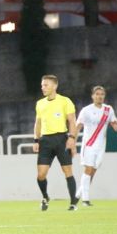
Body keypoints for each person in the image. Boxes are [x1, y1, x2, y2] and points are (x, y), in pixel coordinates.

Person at [32, 74, 79, 211]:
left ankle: (73, 202)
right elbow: (38, 123)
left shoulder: (65, 101)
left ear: (55, 86)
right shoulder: (40, 104)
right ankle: (45, 197)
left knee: (67, 171)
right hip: (45, 141)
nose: (43, 88)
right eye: (42, 85)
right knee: (41, 174)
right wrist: (36, 139)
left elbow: (72, 121)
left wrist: (71, 138)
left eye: (46, 85)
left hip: (61, 139)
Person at [74, 86, 117, 206]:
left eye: (102, 94)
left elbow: (114, 122)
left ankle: (77, 197)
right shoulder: (86, 110)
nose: (99, 96)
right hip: (89, 144)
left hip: (101, 146)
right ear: (92, 96)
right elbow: (78, 126)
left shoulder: (108, 110)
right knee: (88, 169)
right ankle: (86, 200)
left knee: (92, 173)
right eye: (97, 94)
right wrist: (72, 141)